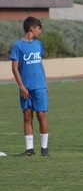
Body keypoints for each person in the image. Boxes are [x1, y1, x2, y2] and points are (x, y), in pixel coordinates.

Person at [10, 17, 50, 157]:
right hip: (26, 88)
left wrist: (45, 84)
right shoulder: (18, 45)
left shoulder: (38, 44)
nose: (40, 31)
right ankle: (29, 150)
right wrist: (21, 86)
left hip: (39, 87)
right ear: (31, 28)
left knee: (41, 115)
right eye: (39, 28)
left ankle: (44, 149)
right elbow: (15, 68)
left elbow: (40, 64)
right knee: (27, 117)